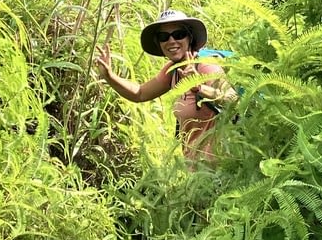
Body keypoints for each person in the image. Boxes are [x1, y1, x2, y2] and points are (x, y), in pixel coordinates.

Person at [95, 9, 234, 163]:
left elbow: (233, 99)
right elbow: (140, 93)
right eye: (163, 37)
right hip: (197, 172)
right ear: (159, 43)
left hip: (222, 169)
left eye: (179, 34)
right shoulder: (173, 70)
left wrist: (199, 87)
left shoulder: (206, 66)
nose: (171, 41)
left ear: (190, 37)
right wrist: (109, 76)